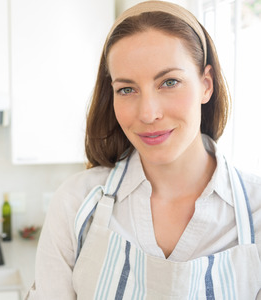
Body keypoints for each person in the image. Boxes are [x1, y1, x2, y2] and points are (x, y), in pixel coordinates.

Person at [25, 1, 261, 299]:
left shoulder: (256, 210)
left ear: (206, 84)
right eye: (127, 89)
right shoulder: (76, 202)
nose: (148, 113)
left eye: (169, 82)